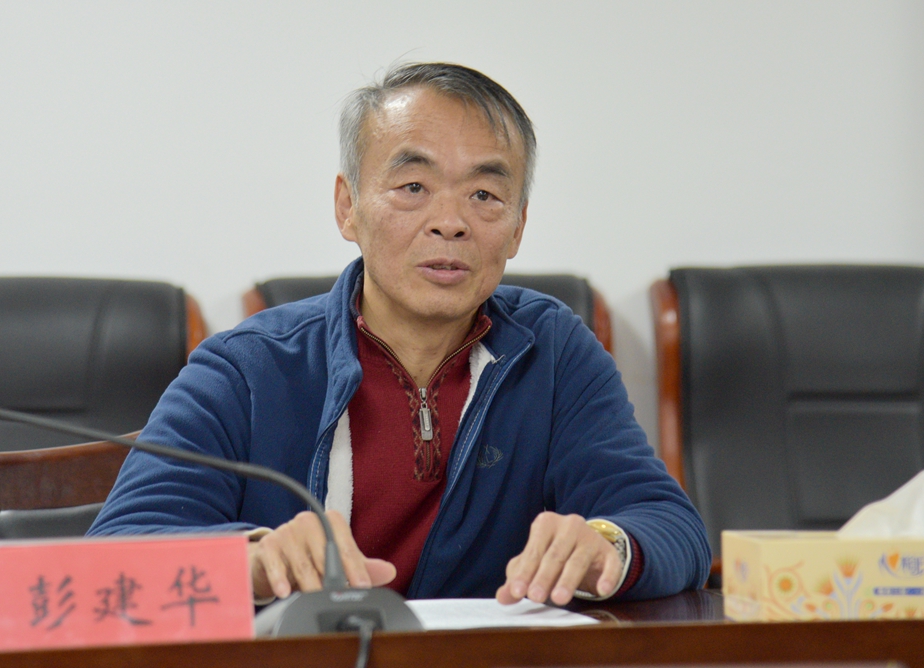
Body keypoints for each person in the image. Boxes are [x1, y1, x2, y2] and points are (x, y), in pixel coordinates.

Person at [89, 63, 711, 604]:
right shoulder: (246, 368)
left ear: (519, 226)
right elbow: (112, 556)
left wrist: (606, 548)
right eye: (414, 187)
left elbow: (671, 526)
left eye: (485, 195)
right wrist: (251, 561)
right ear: (348, 207)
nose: (451, 222)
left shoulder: (551, 350)